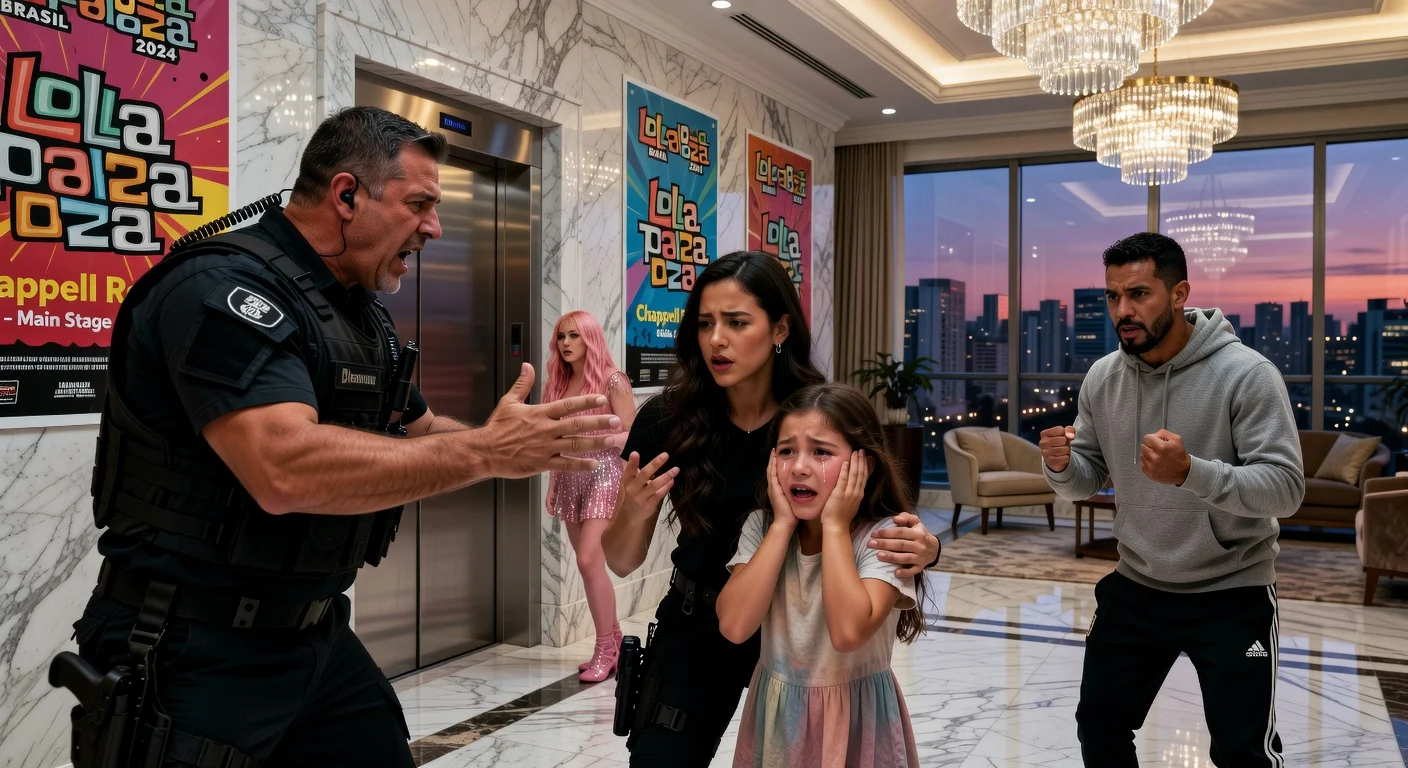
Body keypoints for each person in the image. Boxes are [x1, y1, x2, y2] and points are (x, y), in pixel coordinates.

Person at [69, 107, 621, 768]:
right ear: (347, 195)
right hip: (191, 644)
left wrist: (513, 442)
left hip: (313, 634)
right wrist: (482, 453)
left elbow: (418, 430)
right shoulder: (221, 288)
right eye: (418, 204)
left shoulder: (358, 315)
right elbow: (283, 468)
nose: (434, 228)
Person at [602, 251, 941, 767]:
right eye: (705, 324)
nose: (717, 340)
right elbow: (621, 560)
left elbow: (874, 506)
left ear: (779, 328)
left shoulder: (808, 418)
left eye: (738, 323)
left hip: (801, 625)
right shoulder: (667, 420)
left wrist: (927, 548)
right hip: (703, 622)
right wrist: (631, 509)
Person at [1038, 232, 1304, 768]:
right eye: (1113, 297)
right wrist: (1061, 466)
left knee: (1241, 750)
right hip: (1138, 584)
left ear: (1179, 293)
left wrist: (1190, 473)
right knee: (1099, 725)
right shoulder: (1104, 377)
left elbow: (1286, 488)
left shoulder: (1246, 374)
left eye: (1139, 294)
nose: (1123, 310)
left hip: (1233, 591)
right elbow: (1088, 478)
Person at [718, 382, 925, 768]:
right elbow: (734, 625)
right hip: (778, 722)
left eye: (821, 451)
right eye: (786, 451)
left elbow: (848, 633)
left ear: (863, 465)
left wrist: (834, 527)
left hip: (858, 725)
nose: (799, 466)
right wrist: (781, 525)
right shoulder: (761, 528)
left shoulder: (882, 539)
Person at [543, 310, 634, 682]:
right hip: (568, 476)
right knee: (589, 564)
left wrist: (603, 440)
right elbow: (554, 439)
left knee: (587, 559)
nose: (566, 343)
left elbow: (633, 434)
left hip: (604, 475)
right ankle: (614, 641)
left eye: (574, 336)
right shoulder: (558, 382)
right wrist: (552, 482)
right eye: (562, 336)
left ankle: (604, 649)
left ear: (591, 338)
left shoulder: (614, 381)